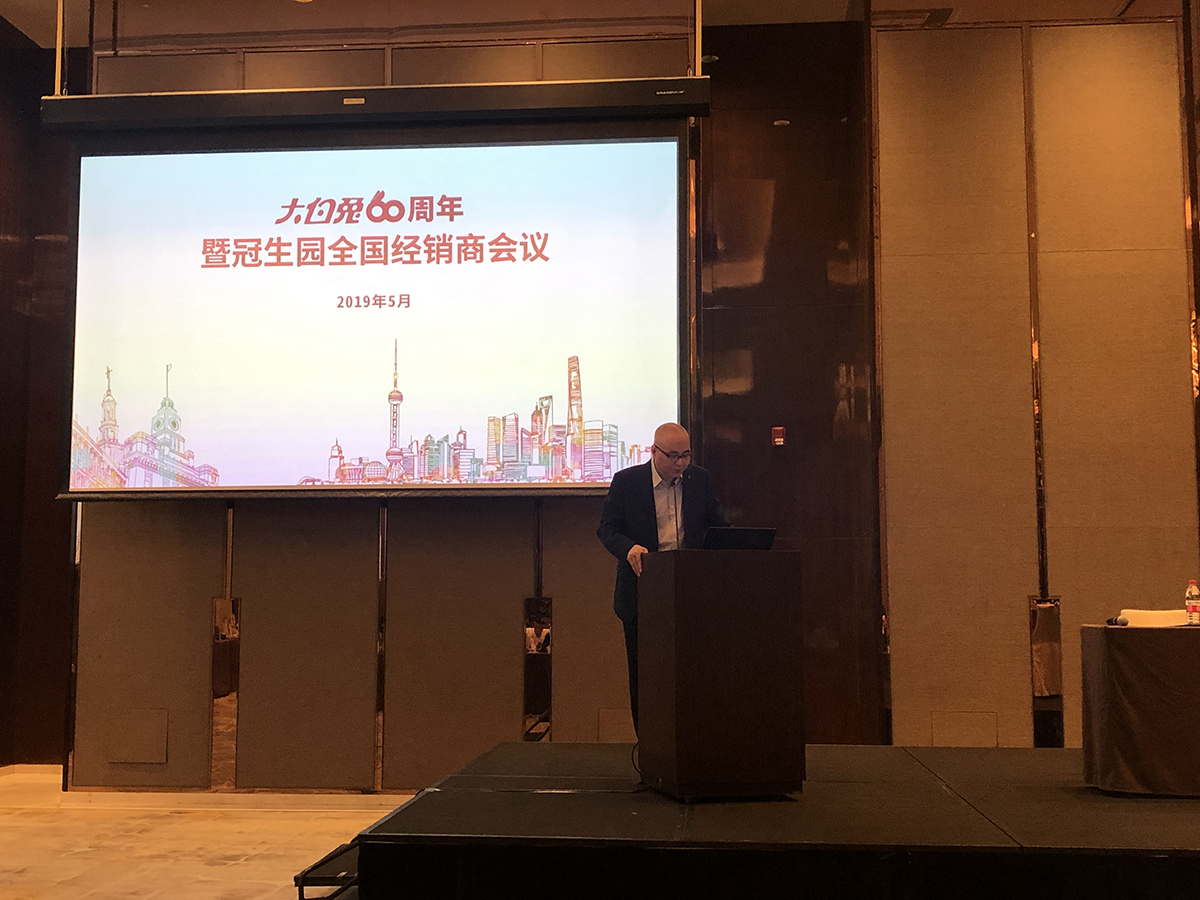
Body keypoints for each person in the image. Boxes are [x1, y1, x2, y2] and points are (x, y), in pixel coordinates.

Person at [596, 422, 728, 733]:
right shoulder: (627, 482)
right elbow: (607, 529)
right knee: (645, 674)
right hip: (643, 589)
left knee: (692, 672)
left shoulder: (700, 479)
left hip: (691, 591)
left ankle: (693, 738)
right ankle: (647, 743)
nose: (680, 463)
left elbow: (717, 526)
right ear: (654, 452)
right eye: (673, 456)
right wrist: (629, 548)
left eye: (686, 455)